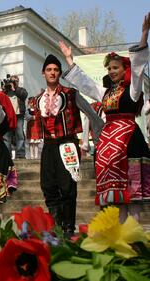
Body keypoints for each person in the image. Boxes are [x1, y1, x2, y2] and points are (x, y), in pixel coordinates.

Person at [60, 12, 150, 222]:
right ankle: (120, 240)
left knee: (132, 196)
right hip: (109, 144)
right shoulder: (106, 93)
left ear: (123, 69)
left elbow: (137, 70)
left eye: (115, 68)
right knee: (116, 199)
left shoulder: (132, 90)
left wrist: (144, 34)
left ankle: (133, 240)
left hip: (129, 141)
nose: (111, 71)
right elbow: (86, 84)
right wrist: (69, 59)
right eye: (109, 68)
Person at [32, 54, 103, 237]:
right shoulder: (38, 98)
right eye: (49, 70)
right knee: (47, 185)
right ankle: (57, 225)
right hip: (48, 145)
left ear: (60, 73)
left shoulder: (71, 94)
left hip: (67, 144)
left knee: (68, 187)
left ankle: (69, 227)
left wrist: (101, 137)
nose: (52, 72)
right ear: (43, 73)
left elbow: (90, 113)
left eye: (56, 69)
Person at [3, 75, 28, 158]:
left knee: (20, 135)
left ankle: (20, 155)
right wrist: (4, 88)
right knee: (6, 136)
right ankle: (7, 155)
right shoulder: (6, 91)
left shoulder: (21, 90)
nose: (14, 82)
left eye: (16, 81)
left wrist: (15, 88)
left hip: (18, 116)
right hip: (8, 116)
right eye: (12, 81)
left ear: (18, 81)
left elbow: (24, 95)